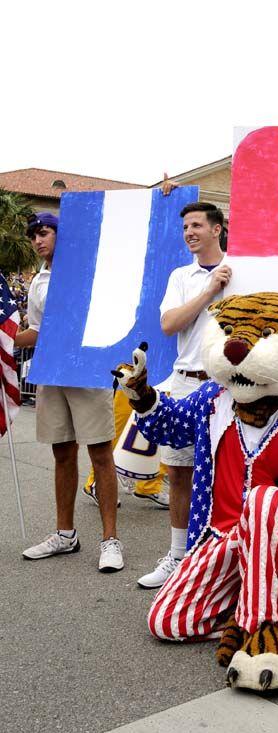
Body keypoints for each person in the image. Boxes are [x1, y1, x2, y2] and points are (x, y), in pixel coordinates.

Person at [15, 213, 123, 572]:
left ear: (62, 233)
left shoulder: (88, 270)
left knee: (100, 453)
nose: (37, 240)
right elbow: (37, 330)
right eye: (33, 236)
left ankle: (110, 540)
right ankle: (65, 534)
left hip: (87, 369)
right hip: (53, 370)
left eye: (44, 232)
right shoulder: (38, 281)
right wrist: (7, 339)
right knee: (62, 453)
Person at [137, 200, 232, 589]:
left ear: (217, 228)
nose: (190, 232)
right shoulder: (182, 275)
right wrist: (209, 289)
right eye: (185, 227)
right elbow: (168, 323)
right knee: (179, 471)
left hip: (228, 385)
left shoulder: (241, 269)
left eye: (196, 225)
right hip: (185, 382)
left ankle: (222, 557)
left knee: (228, 472)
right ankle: (178, 556)